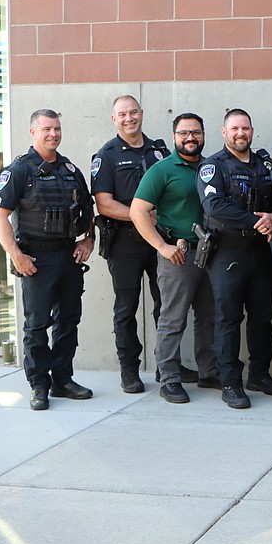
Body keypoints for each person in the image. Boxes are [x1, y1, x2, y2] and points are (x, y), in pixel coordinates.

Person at [0, 109, 95, 410]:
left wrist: (88, 239)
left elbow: (87, 210)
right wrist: (16, 255)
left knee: (68, 320)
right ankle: (39, 384)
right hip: (36, 257)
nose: (53, 134)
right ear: (33, 132)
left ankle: (63, 379)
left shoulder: (70, 169)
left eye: (57, 129)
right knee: (37, 325)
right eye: (47, 129)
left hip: (68, 255)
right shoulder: (19, 170)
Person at [91, 95, 190, 394]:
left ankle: (166, 366)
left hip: (161, 239)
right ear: (114, 119)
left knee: (167, 305)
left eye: (133, 112)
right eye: (122, 114)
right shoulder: (106, 155)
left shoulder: (159, 150)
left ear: (142, 114)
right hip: (125, 243)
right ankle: (129, 371)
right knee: (126, 307)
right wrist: (141, 215)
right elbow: (104, 204)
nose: (129, 118)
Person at [196, 109, 272, 410]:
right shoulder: (213, 166)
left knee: (262, 317)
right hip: (227, 253)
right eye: (234, 129)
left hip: (261, 252)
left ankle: (259, 375)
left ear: (252, 131)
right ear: (224, 133)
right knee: (228, 320)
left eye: (245, 128)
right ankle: (230, 382)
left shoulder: (266, 164)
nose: (240, 134)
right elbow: (214, 205)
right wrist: (257, 222)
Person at [130, 113, 218, 404]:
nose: (190, 138)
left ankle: (208, 371)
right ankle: (168, 378)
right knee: (173, 318)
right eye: (183, 133)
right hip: (178, 253)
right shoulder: (162, 170)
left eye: (195, 132)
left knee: (208, 317)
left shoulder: (211, 166)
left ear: (204, 135)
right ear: (174, 137)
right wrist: (161, 246)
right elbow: (138, 211)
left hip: (212, 254)